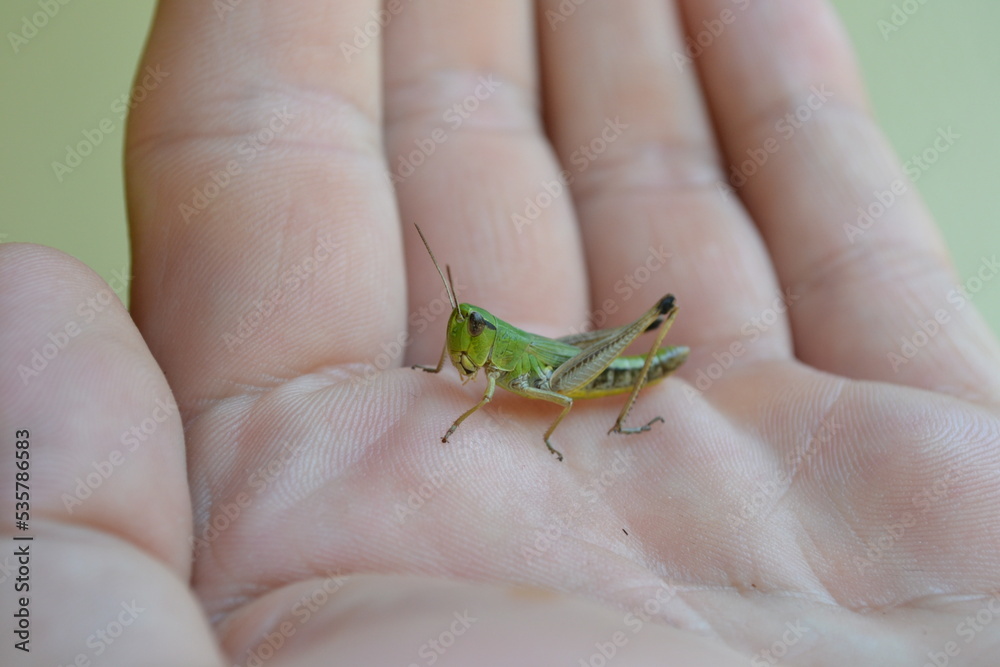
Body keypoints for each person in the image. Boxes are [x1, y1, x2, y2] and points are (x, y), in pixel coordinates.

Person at [3, 1, 998, 664]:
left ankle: (639, 385)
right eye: (467, 331)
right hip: (571, 366)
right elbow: (463, 366)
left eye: (471, 327)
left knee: (575, 383)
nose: (466, 341)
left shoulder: (509, 376)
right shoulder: (473, 354)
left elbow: (540, 398)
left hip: (592, 376)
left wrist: (519, 406)